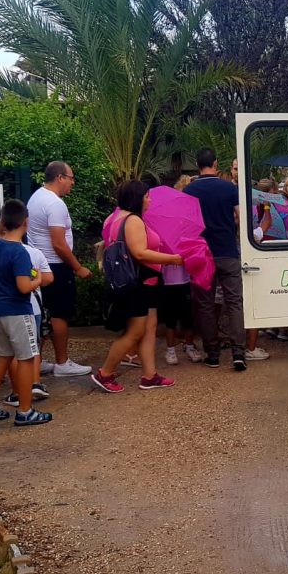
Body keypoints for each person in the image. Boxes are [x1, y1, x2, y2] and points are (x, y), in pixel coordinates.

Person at [91, 180, 184, 393]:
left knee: (149, 328)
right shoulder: (132, 220)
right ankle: (105, 373)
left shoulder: (117, 218)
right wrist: (172, 259)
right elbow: (140, 253)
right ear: (137, 198)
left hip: (146, 282)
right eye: (146, 196)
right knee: (135, 331)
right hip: (139, 282)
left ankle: (150, 375)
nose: (149, 200)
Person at [0, 199, 51, 426]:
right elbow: (24, 287)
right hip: (17, 310)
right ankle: (25, 410)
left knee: (4, 354)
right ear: (25, 222)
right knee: (26, 358)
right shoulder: (20, 252)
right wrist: (37, 279)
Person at [26, 161, 93, 377]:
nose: (72, 183)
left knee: (43, 313)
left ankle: (35, 361)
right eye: (71, 178)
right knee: (59, 314)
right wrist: (78, 267)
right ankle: (62, 363)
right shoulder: (55, 204)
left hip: (39, 264)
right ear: (60, 177)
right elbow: (58, 243)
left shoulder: (36, 197)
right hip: (55, 264)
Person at [184, 149, 247, 371]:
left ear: (197, 164)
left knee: (205, 305)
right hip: (227, 252)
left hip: (202, 255)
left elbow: (186, 223)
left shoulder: (189, 191)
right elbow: (241, 217)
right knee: (234, 302)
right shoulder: (229, 188)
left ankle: (212, 354)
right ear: (215, 163)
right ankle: (239, 353)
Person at [160, 176, 202, 365]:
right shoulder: (163, 227)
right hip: (168, 278)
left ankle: (189, 345)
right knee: (170, 316)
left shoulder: (187, 226)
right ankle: (170, 349)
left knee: (187, 315)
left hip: (185, 277)